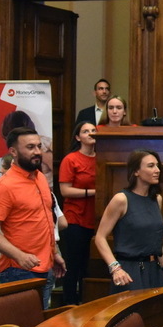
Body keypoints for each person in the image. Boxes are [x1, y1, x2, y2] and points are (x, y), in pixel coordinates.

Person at [0, 127, 66, 308]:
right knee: (23, 325)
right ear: (13, 151)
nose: (37, 152)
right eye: (30, 147)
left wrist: (53, 253)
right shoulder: (4, 186)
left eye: (39, 146)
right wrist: (19, 256)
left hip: (46, 265)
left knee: (41, 323)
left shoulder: (40, 178)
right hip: (19, 270)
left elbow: (43, 222)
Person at [95, 150, 163, 292]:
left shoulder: (157, 199)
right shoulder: (121, 199)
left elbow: (155, 240)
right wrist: (115, 268)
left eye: (157, 165)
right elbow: (100, 237)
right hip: (129, 271)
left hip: (154, 269)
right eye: (151, 166)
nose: (157, 170)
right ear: (136, 171)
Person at [58, 121, 97, 305]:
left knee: (89, 266)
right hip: (75, 218)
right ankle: (69, 304)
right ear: (77, 137)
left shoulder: (102, 157)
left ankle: (85, 303)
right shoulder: (71, 159)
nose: (90, 133)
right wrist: (93, 193)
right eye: (85, 131)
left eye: (93, 130)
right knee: (73, 265)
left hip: (96, 218)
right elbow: (65, 190)